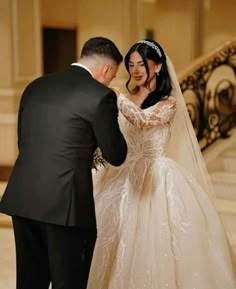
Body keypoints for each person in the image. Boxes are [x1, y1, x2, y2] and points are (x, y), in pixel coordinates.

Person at [86, 39, 236, 289]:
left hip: (155, 177)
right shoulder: (126, 97)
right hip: (121, 175)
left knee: (155, 242)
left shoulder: (169, 102)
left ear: (157, 67)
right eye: (131, 64)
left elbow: (143, 120)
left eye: (142, 64)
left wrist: (117, 97)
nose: (135, 70)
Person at [0, 37, 127, 289]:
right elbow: (116, 154)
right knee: (68, 282)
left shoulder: (35, 86)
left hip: (24, 199)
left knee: (29, 281)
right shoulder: (101, 96)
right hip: (66, 208)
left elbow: (25, 142)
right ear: (107, 70)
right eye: (112, 75)